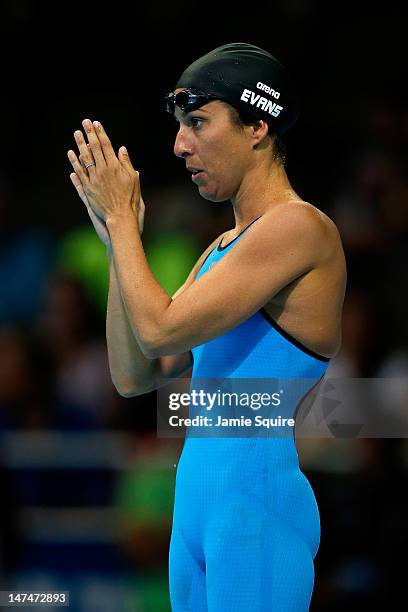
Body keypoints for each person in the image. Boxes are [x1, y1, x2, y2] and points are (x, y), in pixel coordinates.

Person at [67, 42, 346, 611]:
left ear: (257, 127)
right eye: (178, 126)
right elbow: (135, 373)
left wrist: (123, 223)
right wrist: (119, 244)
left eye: (198, 122)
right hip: (196, 507)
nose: (179, 145)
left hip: (255, 505)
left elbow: (162, 330)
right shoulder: (220, 249)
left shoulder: (300, 227)